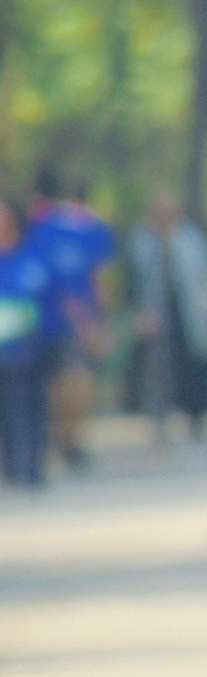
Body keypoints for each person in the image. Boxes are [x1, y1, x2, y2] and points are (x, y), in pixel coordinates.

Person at [27, 171, 116, 473]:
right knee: (71, 381)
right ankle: (66, 441)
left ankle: (67, 441)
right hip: (62, 319)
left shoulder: (42, 225)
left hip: (60, 320)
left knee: (68, 381)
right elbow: (101, 280)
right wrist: (98, 319)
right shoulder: (88, 228)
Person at [125, 192, 207, 440]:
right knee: (157, 369)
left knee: (193, 365)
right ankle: (158, 419)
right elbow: (133, 282)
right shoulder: (142, 242)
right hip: (156, 313)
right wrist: (139, 312)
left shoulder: (191, 240)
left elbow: (202, 276)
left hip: (188, 312)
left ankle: (195, 417)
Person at [0, 197, 65, 488]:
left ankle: (31, 464)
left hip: (30, 348)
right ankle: (12, 465)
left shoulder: (33, 259)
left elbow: (55, 298)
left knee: (29, 405)